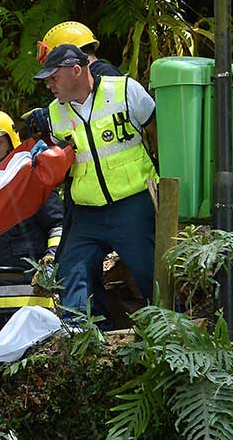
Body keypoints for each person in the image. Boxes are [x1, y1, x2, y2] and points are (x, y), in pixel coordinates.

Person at [31, 44, 158, 322]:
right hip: (87, 210)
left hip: (131, 204)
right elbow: (58, 160)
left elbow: (156, 131)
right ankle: (80, 337)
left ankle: (172, 330)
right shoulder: (54, 113)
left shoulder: (125, 90)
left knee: (149, 271)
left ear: (76, 70)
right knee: (71, 272)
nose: (50, 85)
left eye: (54, 77)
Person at [0, 109, 63, 332]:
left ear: (10, 141)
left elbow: (58, 224)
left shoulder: (31, 177)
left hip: (27, 299)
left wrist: (50, 259)